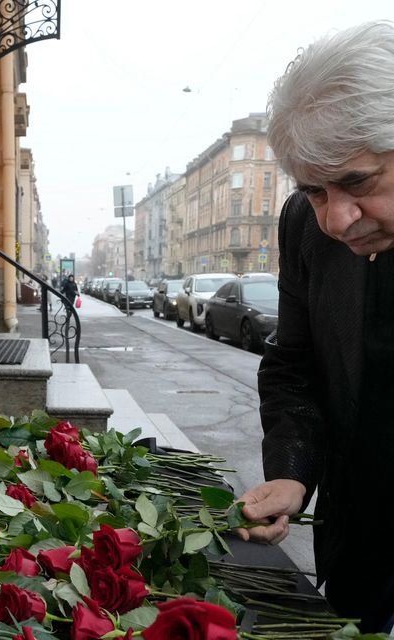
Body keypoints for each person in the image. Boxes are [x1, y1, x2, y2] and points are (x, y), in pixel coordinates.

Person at [236, 21, 394, 632]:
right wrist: (292, 472)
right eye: (313, 190)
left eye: (357, 182)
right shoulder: (304, 223)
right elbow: (293, 365)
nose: (336, 218)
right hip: (359, 548)